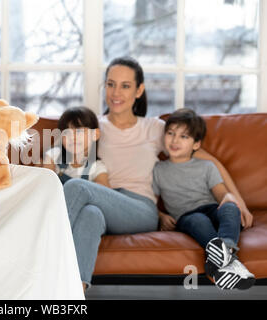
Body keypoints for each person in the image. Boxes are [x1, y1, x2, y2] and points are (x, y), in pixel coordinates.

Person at [63, 56, 253, 291]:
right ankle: (72, 294)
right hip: (103, 203)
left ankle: (37, 250)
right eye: (110, 84)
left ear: (139, 90)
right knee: (90, 214)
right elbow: (63, 156)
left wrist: (239, 201)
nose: (115, 92)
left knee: (75, 188)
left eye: (125, 86)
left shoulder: (154, 129)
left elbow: (209, 160)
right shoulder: (94, 128)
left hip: (139, 209)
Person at [153, 108, 255, 290]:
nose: (175, 140)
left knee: (231, 207)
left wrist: (229, 197)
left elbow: (221, 194)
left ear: (196, 144)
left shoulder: (207, 166)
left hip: (211, 208)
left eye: (184, 137)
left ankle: (224, 254)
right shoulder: (158, 170)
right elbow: (150, 201)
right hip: (187, 216)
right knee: (198, 220)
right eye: (171, 133)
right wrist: (160, 215)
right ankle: (230, 262)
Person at [42, 106, 110, 187]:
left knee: (77, 185)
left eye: (78, 131)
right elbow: (45, 183)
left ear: (95, 134)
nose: (72, 137)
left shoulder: (97, 167)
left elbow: (105, 191)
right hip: (55, 197)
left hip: (79, 198)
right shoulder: (54, 155)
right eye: (66, 133)